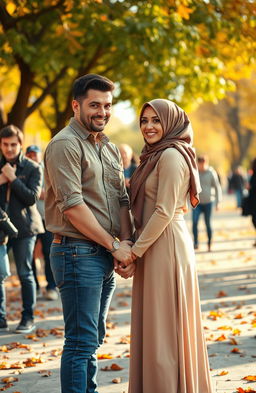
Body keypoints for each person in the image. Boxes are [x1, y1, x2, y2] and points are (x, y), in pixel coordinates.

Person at [44, 73, 134, 393]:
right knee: (81, 343)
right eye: (94, 105)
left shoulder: (108, 148)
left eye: (107, 105)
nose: (102, 112)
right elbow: (72, 206)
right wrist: (114, 245)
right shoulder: (65, 145)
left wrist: (126, 245)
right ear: (76, 105)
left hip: (104, 255)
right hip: (76, 251)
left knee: (93, 338)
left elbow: (121, 199)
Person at [126, 99, 213, 393]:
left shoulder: (172, 156)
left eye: (156, 120)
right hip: (154, 242)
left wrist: (134, 252)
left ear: (171, 123)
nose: (148, 126)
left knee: (164, 329)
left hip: (166, 246)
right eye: (144, 120)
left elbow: (164, 210)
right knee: (155, 325)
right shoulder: (154, 155)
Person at [0, 125, 44, 333]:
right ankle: (1, 318)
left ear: (20, 145)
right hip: (2, 228)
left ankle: (28, 318)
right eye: (5, 144)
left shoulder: (33, 167)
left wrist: (13, 179)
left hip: (25, 228)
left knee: (25, 273)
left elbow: (31, 198)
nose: (9, 149)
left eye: (13, 145)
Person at [25, 145, 57, 301]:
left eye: (34, 155)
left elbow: (52, 192)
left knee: (49, 253)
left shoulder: (48, 170)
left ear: (40, 156)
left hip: (46, 219)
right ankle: (35, 287)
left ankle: (51, 287)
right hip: (29, 221)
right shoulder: (24, 170)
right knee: (29, 254)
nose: (32, 157)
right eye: (29, 155)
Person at [192, 155, 222, 251]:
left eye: (203, 164)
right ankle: (196, 242)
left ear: (206, 163)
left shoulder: (211, 173)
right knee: (195, 222)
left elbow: (217, 187)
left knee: (208, 223)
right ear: (198, 163)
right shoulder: (194, 172)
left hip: (208, 202)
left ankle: (209, 243)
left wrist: (218, 202)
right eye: (200, 164)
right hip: (197, 203)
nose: (202, 166)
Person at [247, 158, 256, 246]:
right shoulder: (253, 175)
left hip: (254, 201)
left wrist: (250, 187)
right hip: (253, 201)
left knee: (254, 220)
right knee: (254, 220)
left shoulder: (253, 175)